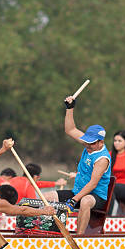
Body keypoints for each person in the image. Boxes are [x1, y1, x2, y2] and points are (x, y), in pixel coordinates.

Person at [42, 96, 111, 235]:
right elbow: (70, 129)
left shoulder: (102, 159)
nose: (87, 145)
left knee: (85, 201)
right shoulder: (88, 143)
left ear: (101, 143)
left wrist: (74, 200)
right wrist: (70, 109)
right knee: (46, 197)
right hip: (77, 192)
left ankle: (80, 237)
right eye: (86, 141)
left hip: (95, 197)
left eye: (91, 143)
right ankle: (46, 233)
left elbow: (92, 184)